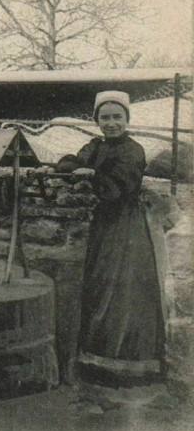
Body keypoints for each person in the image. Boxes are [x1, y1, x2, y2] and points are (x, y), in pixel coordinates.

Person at [46, 91, 166, 388]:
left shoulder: (132, 150)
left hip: (127, 226)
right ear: (97, 120)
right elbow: (75, 160)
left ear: (127, 119)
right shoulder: (96, 146)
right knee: (100, 287)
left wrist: (92, 175)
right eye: (105, 118)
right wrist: (65, 167)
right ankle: (96, 362)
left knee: (123, 292)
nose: (111, 123)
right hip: (105, 225)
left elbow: (118, 188)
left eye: (117, 117)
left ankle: (129, 367)